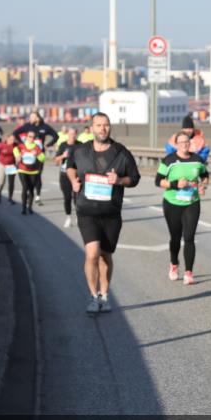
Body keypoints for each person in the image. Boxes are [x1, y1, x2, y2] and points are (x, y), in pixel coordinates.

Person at [67, 112, 140, 315]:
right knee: (92, 255)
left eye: (106, 125)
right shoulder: (80, 151)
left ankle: (105, 294)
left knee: (105, 256)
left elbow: (134, 178)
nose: (102, 128)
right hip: (86, 210)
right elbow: (70, 168)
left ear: (110, 127)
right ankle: (93, 295)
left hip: (111, 213)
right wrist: (73, 180)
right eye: (98, 125)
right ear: (91, 128)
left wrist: (119, 181)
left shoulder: (121, 153)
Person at [156, 131, 210, 286]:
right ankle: (174, 263)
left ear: (190, 143)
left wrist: (202, 186)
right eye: (181, 142)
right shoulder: (169, 160)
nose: (185, 144)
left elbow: (205, 176)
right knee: (175, 237)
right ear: (176, 145)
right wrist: (175, 184)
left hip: (192, 203)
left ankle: (188, 272)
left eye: (187, 142)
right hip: (172, 203)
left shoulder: (197, 160)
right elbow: (158, 181)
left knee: (189, 237)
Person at [14, 111, 58, 204]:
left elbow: (56, 136)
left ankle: (37, 196)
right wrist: (21, 143)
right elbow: (15, 133)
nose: (30, 119)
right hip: (27, 155)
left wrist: (48, 145)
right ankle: (28, 192)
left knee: (37, 176)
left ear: (37, 117)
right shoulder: (27, 126)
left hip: (39, 155)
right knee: (27, 176)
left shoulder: (44, 127)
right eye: (30, 117)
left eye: (32, 117)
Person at [14, 130, 46, 214]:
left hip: (33, 171)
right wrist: (17, 155)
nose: (31, 138)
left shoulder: (36, 147)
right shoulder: (22, 145)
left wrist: (38, 155)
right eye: (30, 136)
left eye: (33, 137)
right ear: (26, 137)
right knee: (25, 187)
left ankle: (30, 207)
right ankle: (23, 208)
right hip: (22, 170)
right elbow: (15, 149)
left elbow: (43, 157)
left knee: (31, 189)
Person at [55, 127, 80, 228]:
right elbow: (56, 159)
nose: (72, 136)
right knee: (67, 197)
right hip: (64, 175)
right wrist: (62, 156)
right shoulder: (63, 145)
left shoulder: (80, 145)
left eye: (74, 134)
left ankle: (79, 217)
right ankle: (68, 218)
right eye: (70, 134)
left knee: (77, 198)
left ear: (76, 134)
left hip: (77, 176)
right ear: (67, 134)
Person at [0, 132, 19, 205]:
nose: (12, 141)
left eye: (13, 139)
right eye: (11, 139)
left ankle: (10, 198)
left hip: (11, 165)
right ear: (7, 139)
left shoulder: (16, 146)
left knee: (11, 183)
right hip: (1, 164)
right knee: (1, 181)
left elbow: (19, 152)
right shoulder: (1, 145)